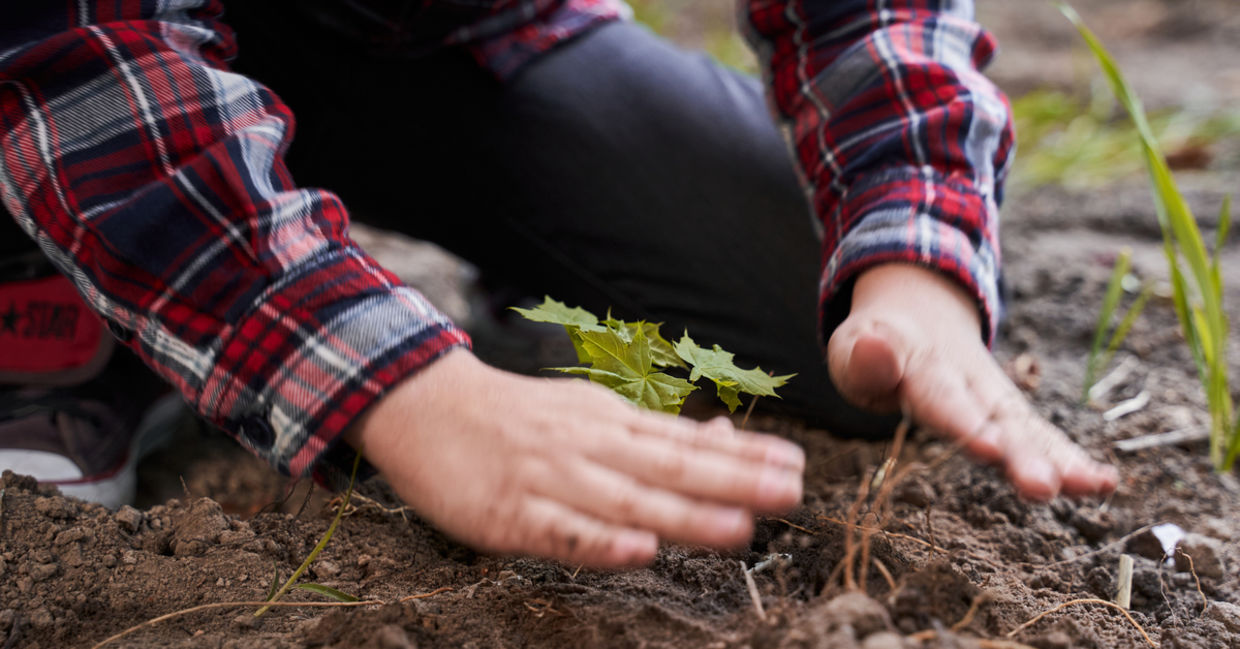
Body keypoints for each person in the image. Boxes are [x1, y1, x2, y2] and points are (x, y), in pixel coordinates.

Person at [0, 1, 1117, 568]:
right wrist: (403, 389)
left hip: (442, 39)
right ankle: (66, 301)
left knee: (802, 299)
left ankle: (507, 285)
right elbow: (72, 53)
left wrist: (909, 257)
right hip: (78, 64)